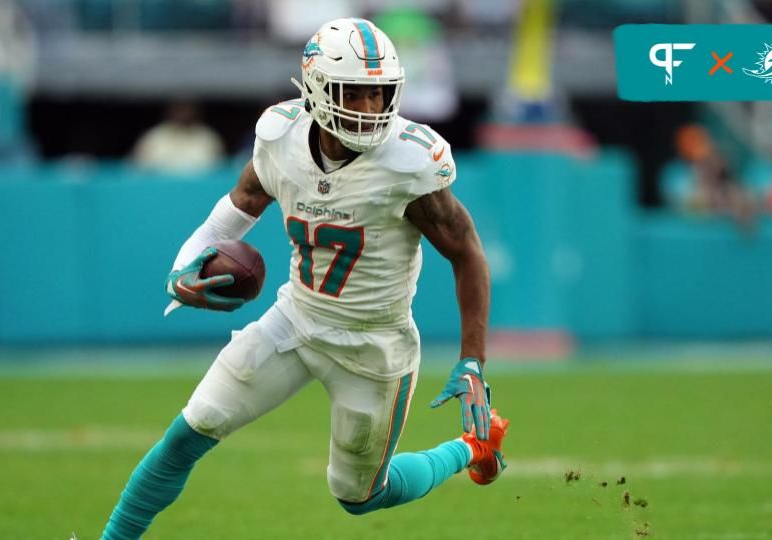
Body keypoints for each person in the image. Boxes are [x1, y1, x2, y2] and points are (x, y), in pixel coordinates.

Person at [100, 18, 509, 539]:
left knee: (361, 497)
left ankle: (472, 448)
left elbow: (467, 253)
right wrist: (184, 266)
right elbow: (238, 206)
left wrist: (472, 360)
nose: (368, 109)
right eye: (354, 94)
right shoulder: (281, 137)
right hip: (296, 319)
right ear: (317, 88)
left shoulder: (408, 162)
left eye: (379, 94)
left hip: (373, 343)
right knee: (188, 433)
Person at [132, 102, 225, 174]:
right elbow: (138, 168)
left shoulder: (208, 138)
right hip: (159, 191)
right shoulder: (154, 137)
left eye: (186, 109)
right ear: (170, 112)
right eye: (179, 110)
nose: (183, 114)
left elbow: (218, 169)